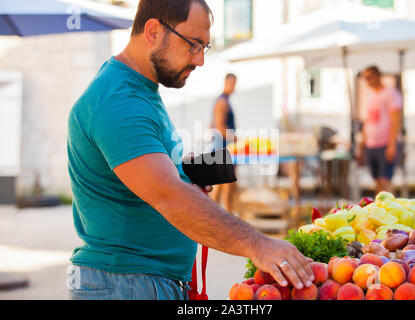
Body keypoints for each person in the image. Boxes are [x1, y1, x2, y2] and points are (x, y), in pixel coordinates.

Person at [66, 0, 313, 300]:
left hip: (137, 281)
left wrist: (181, 172)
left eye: (204, 47)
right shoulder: (119, 101)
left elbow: (151, 180)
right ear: (154, 31)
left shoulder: (139, 90)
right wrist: (258, 244)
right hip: (126, 283)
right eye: (193, 45)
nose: (200, 60)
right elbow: (169, 195)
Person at [358, 66, 403, 194]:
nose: (367, 81)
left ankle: (392, 211)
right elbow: (367, 122)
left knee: (385, 181)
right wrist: (362, 145)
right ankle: (380, 211)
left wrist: (392, 145)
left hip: (385, 144)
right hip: (371, 145)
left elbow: (396, 120)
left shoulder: (390, 93)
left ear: (377, 76)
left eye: (369, 77)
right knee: (377, 181)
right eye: (365, 78)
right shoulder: (370, 95)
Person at [209, 73, 238, 213]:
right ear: (227, 83)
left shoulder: (223, 101)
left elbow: (211, 125)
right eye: (232, 84)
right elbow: (219, 126)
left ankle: (226, 217)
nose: (234, 87)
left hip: (223, 147)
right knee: (221, 188)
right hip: (223, 148)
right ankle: (218, 219)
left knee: (225, 187)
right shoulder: (222, 102)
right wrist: (236, 138)